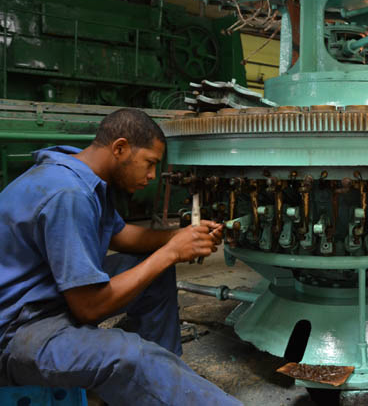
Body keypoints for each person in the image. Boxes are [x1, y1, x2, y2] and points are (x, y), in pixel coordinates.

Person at [0, 109, 242, 405]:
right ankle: (150, 374)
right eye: (149, 164)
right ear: (120, 148)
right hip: (18, 332)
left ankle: (159, 378)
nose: (152, 176)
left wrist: (179, 238)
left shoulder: (78, 172)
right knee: (129, 356)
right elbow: (89, 307)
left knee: (155, 270)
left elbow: (120, 234)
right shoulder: (69, 194)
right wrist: (170, 253)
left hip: (45, 299)